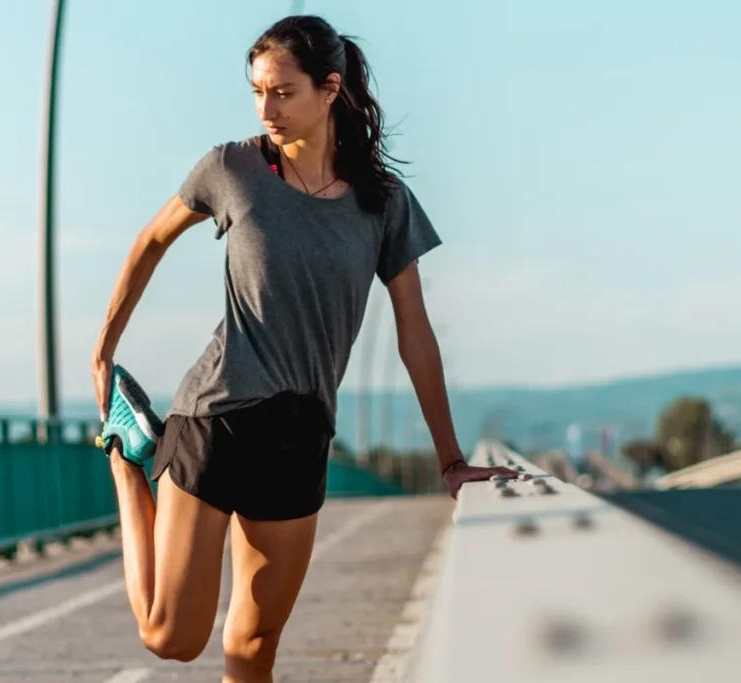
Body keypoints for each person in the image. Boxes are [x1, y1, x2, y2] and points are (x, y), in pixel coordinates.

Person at [90, 14, 519, 683]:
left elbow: (416, 333)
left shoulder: (383, 203)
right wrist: (103, 348)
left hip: (301, 435)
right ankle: (128, 456)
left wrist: (451, 459)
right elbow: (149, 240)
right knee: (171, 636)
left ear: (329, 90)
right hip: (215, 418)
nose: (267, 108)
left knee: (254, 646)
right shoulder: (232, 169)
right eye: (258, 91)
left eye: (283, 91)